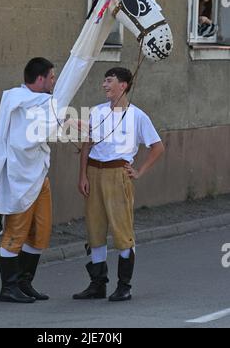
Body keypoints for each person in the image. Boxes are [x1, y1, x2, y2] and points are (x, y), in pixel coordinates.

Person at [0, 0, 117, 304]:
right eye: (52, 78)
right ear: (40, 79)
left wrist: (75, 126)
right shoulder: (18, 101)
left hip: (39, 178)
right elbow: (37, 130)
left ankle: (24, 282)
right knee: (15, 234)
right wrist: (72, 126)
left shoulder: (41, 104)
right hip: (18, 178)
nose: (55, 82)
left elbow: (49, 123)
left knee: (40, 234)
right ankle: (8, 287)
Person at [73, 67, 165, 302]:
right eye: (104, 80)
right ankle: (97, 284)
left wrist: (139, 171)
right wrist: (82, 175)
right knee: (95, 228)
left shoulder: (137, 116)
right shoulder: (96, 111)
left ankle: (124, 286)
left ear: (123, 85)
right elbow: (87, 145)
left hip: (118, 173)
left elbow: (157, 147)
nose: (104, 85)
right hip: (95, 171)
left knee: (122, 231)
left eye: (109, 81)